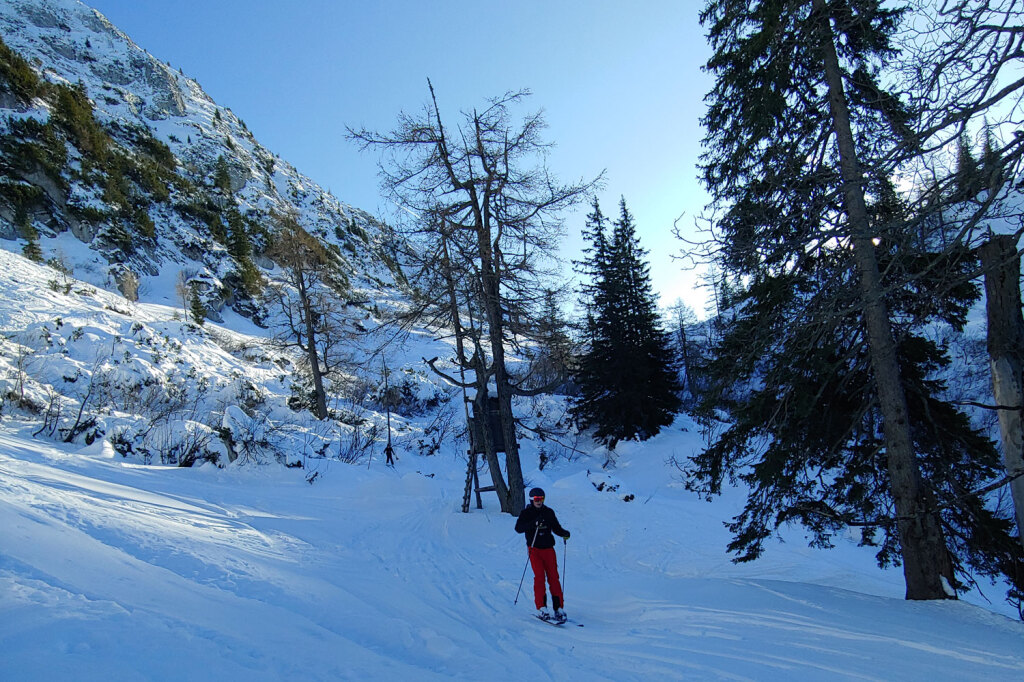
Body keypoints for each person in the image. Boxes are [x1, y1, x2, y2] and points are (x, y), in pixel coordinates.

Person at [515, 487, 571, 622]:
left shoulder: (548, 512)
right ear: (531, 500)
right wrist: (533, 524)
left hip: (548, 549)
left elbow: (556, 528)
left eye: (541, 499)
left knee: (553, 578)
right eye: (536, 499)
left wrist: (564, 533)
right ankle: (541, 607)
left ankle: (558, 608)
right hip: (534, 549)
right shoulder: (526, 513)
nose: (539, 501)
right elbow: (518, 528)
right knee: (539, 577)